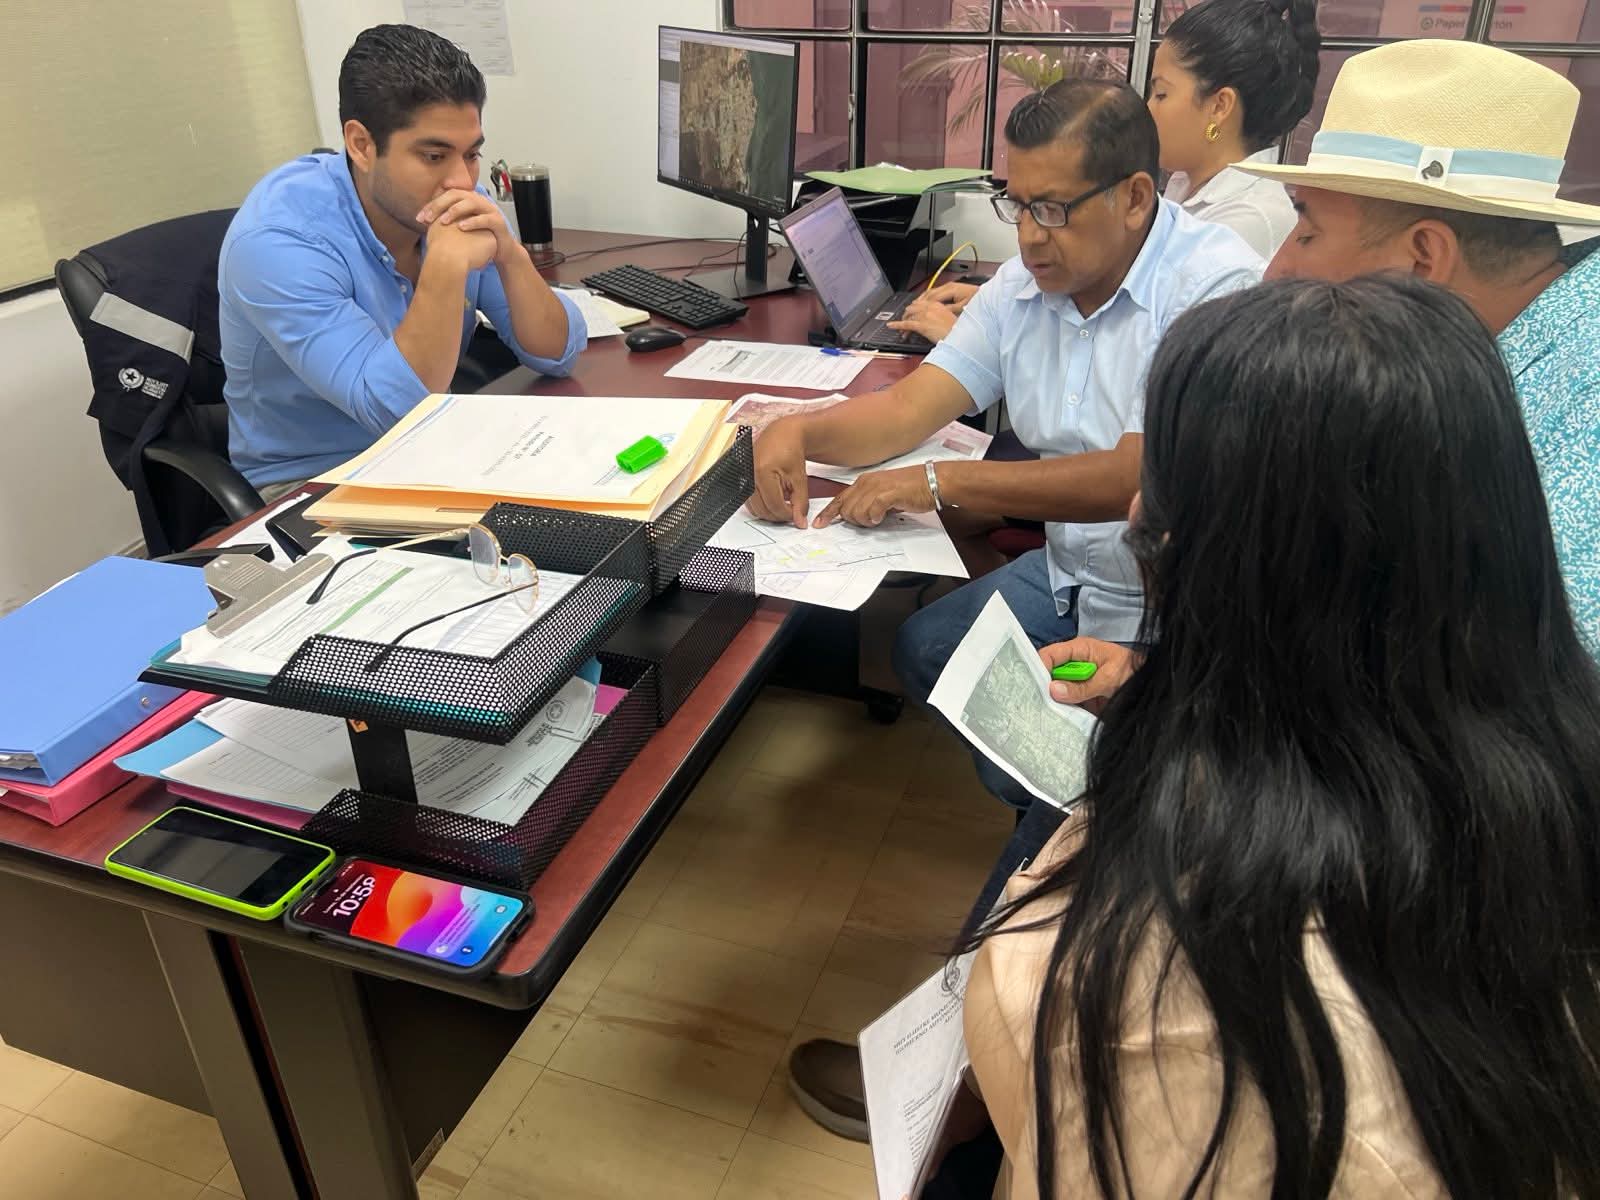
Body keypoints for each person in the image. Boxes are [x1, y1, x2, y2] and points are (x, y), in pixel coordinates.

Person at [960, 274, 1600, 1199]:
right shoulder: (1535, 757)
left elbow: (1050, 1038)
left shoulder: (1184, 1008)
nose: (1137, 515)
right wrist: (1152, 692)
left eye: (1163, 497)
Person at [774, 78, 1261, 1142]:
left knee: (1050, 844)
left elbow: (1140, 476)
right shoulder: (1024, 284)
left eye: (1053, 208)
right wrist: (797, 429)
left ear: (1135, 197)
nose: (1029, 235)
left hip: (1172, 603)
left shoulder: (1211, 285)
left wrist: (940, 484)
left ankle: (942, 1086)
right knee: (929, 648)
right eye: (1016, 202)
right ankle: (1064, 796)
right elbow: (910, 408)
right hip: (1074, 571)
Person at [1243, 39, 1600, 654]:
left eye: (1308, 231)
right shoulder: (1495, 360)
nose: (1275, 273)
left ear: (1423, 258)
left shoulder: (1576, 440)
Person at [219, 24, 586, 489]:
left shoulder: (457, 203)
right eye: (434, 157)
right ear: (361, 145)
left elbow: (558, 354)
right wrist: (445, 269)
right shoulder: (278, 241)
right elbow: (391, 412)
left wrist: (511, 257)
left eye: (472, 154)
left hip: (435, 448)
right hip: (316, 482)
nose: (462, 181)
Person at [1147, 0, 1320, 258]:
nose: (1148, 109)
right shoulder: (1184, 182)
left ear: (1220, 106)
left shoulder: (1249, 219)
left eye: (1161, 94)